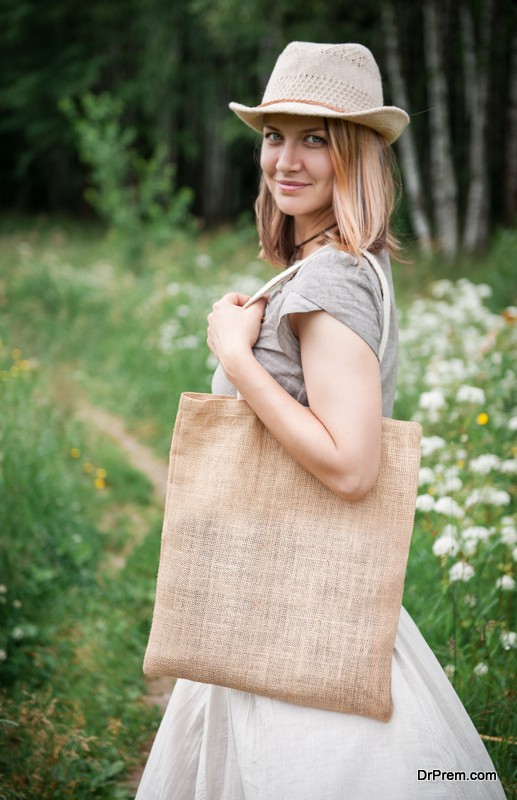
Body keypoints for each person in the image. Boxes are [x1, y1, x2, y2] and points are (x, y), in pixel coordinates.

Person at [136, 42, 506, 799]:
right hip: (266, 595)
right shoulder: (330, 268)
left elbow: (350, 466)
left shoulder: (330, 278)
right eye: (275, 135)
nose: (287, 160)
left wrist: (235, 358)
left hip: (291, 604)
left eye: (316, 139)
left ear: (355, 156)